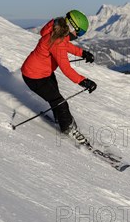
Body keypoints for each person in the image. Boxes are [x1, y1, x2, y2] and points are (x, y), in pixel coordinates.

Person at [21, 10, 97, 140]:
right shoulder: (58, 41)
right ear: (72, 27)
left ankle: (59, 119)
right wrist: (84, 81)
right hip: (34, 77)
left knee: (55, 96)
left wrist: (82, 53)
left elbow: (66, 44)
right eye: (78, 32)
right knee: (61, 103)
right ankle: (69, 130)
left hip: (42, 72)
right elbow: (66, 69)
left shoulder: (56, 29)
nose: (78, 36)